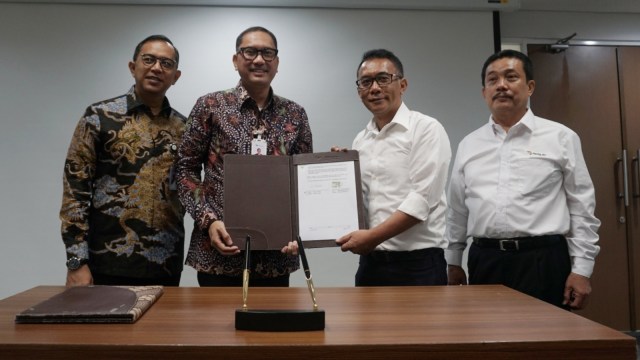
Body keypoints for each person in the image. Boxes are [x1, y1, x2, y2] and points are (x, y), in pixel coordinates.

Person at [445, 50, 600, 309]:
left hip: (544, 260)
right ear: (484, 92)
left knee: (546, 342)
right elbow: (457, 210)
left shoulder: (561, 137)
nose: (501, 85)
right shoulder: (469, 144)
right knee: (488, 342)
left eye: (511, 77)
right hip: (486, 260)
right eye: (492, 80)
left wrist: (582, 269)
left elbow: (582, 209)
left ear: (530, 87)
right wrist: (453, 261)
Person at [176, 26, 313, 287]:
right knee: (216, 328)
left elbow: (302, 181)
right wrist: (208, 220)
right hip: (218, 252)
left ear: (277, 62)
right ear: (236, 60)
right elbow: (185, 170)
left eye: (267, 53)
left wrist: (298, 231)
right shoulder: (211, 106)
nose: (259, 60)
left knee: (271, 327)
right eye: (250, 52)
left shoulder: (295, 113)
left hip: (276, 256)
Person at [60, 35, 186, 287]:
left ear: (176, 76)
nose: (156, 68)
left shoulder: (183, 128)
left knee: (164, 328)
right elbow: (76, 191)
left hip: (165, 263)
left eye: (166, 63)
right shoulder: (99, 117)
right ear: (133, 67)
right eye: (148, 60)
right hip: (106, 261)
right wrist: (76, 261)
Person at [334, 49, 452, 286]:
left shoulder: (426, 129)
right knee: (367, 325)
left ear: (403, 84)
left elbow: (422, 200)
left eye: (383, 79)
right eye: (366, 82)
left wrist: (371, 238)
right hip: (372, 264)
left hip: (418, 265)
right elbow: (364, 202)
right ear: (359, 91)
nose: (374, 88)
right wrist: (341, 174)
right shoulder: (361, 140)